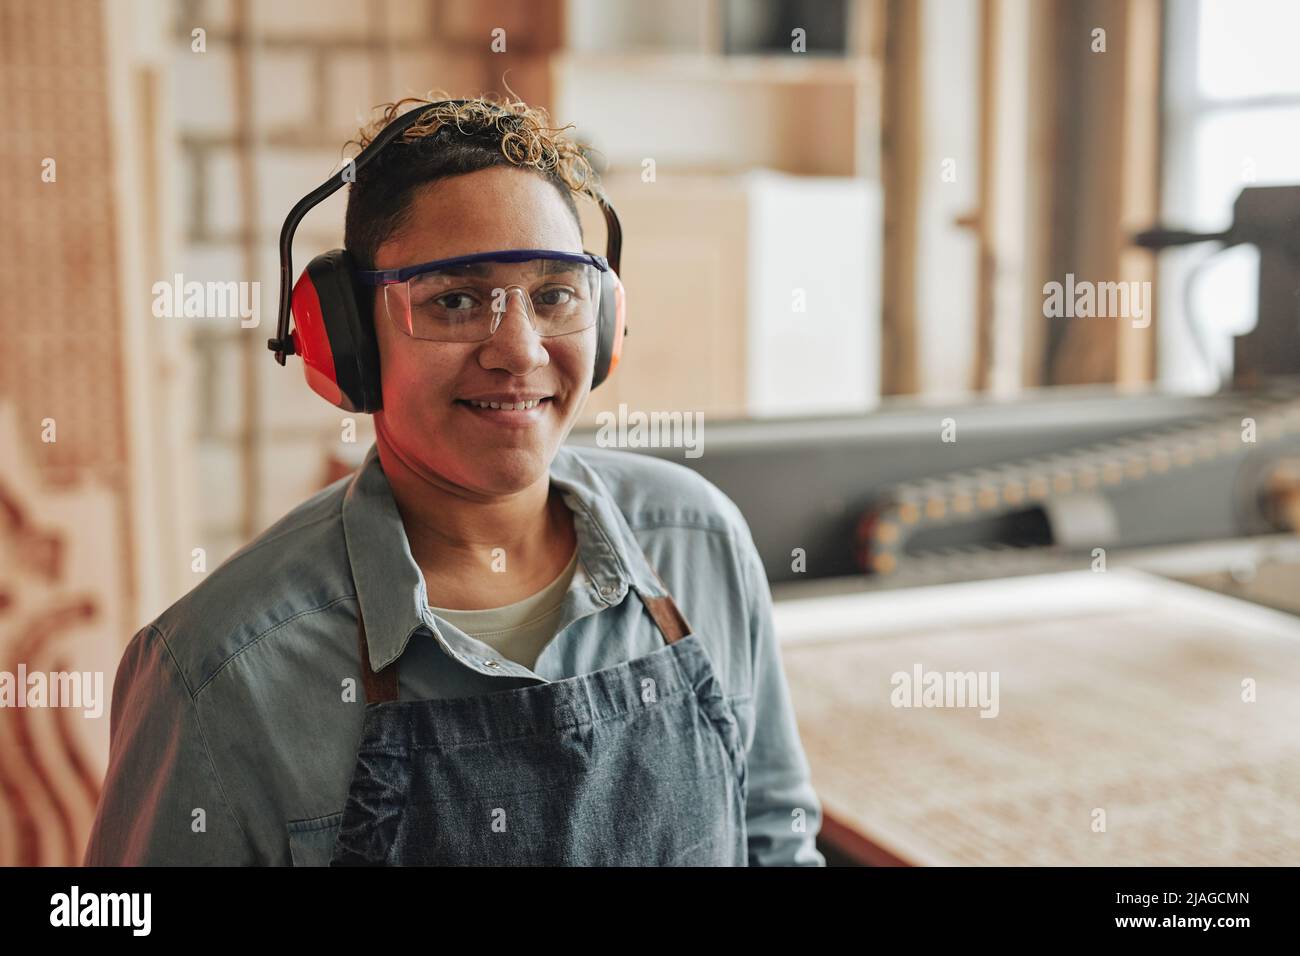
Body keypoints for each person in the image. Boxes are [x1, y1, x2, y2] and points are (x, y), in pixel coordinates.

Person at [83, 94, 825, 866]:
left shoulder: (698, 545)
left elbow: (775, 839)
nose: (520, 351)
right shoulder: (216, 674)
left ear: (605, 323)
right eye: (456, 300)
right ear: (346, 343)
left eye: (553, 295)